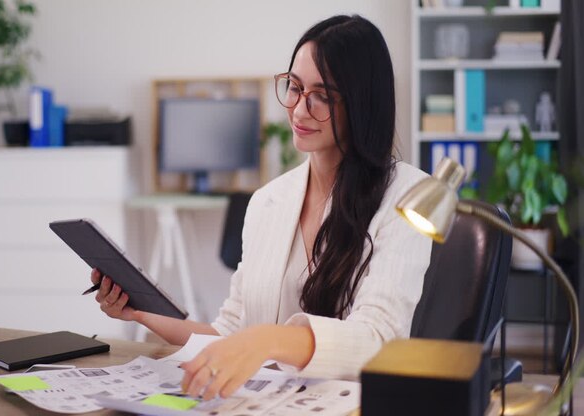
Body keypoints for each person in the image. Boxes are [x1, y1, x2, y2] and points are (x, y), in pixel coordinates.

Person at [90, 15, 432, 401]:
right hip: (268, 403)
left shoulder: (407, 196)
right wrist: (140, 312)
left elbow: (378, 339)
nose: (300, 110)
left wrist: (266, 341)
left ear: (362, 105)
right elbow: (231, 333)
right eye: (295, 87)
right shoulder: (268, 202)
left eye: (323, 96)